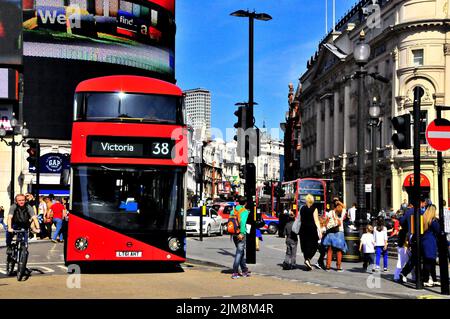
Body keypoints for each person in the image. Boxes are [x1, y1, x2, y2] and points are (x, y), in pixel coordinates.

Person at [400, 196, 428, 281]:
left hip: (410, 236)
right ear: (421, 203)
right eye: (423, 203)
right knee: (417, 256)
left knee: (415, 256)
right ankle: (415, 275)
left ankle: (413, 275)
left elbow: (402, 221)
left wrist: (407, 229)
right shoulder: (422, 212)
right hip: (419, 236)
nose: (424, 204)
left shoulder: (408, 212)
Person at [299, 194, 322, 271]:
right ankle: (308, 259)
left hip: (303, 229)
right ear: (312, 200)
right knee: (314, 246)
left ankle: (307, 260)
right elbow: (316, 220)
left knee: (305, 246)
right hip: (311, 229)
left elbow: (300, 219)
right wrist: (320, 230)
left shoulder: (302, 208)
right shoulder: (314, 209)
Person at [230, 196, 250, 279]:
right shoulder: (244, 211)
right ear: (245, 203)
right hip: (240, 234)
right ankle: (235, 272)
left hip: (234, 233)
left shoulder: (233, 210)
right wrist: (242, 233)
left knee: (241, 252)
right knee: (239, 252)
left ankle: (244, 270)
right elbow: (242, 223)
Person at [323, 204, 347, 271]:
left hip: (331, 232)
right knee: (339, 250)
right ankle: (338, 267)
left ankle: (328, 266)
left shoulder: (331, 212)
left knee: (330, 250)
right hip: (339, 233)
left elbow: (327, 221)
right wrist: (339, 202)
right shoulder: (342, 212)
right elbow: (344, 207)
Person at [421, 204, 441, 287]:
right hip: (431, 242)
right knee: (429, 262)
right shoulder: (433, 221)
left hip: (425, 241)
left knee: (430, 262)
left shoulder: (424, 219)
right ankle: (425, 280)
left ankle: (434, 279)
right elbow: (438, 230)